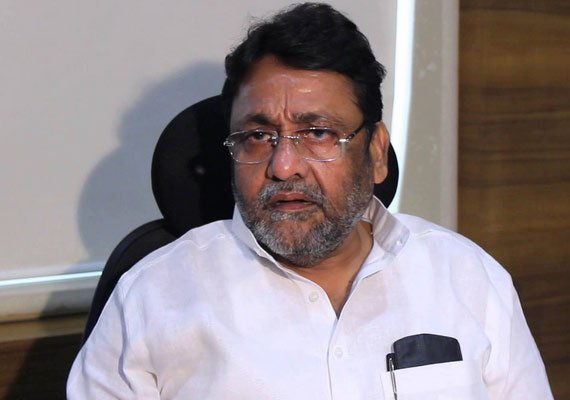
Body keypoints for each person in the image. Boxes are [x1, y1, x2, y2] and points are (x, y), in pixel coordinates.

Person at [67, 3, 553, 399]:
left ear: (376, 152)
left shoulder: (468, 278)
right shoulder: (151, 300)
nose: (283, 167)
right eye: (258, 136)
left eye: (318, 133)